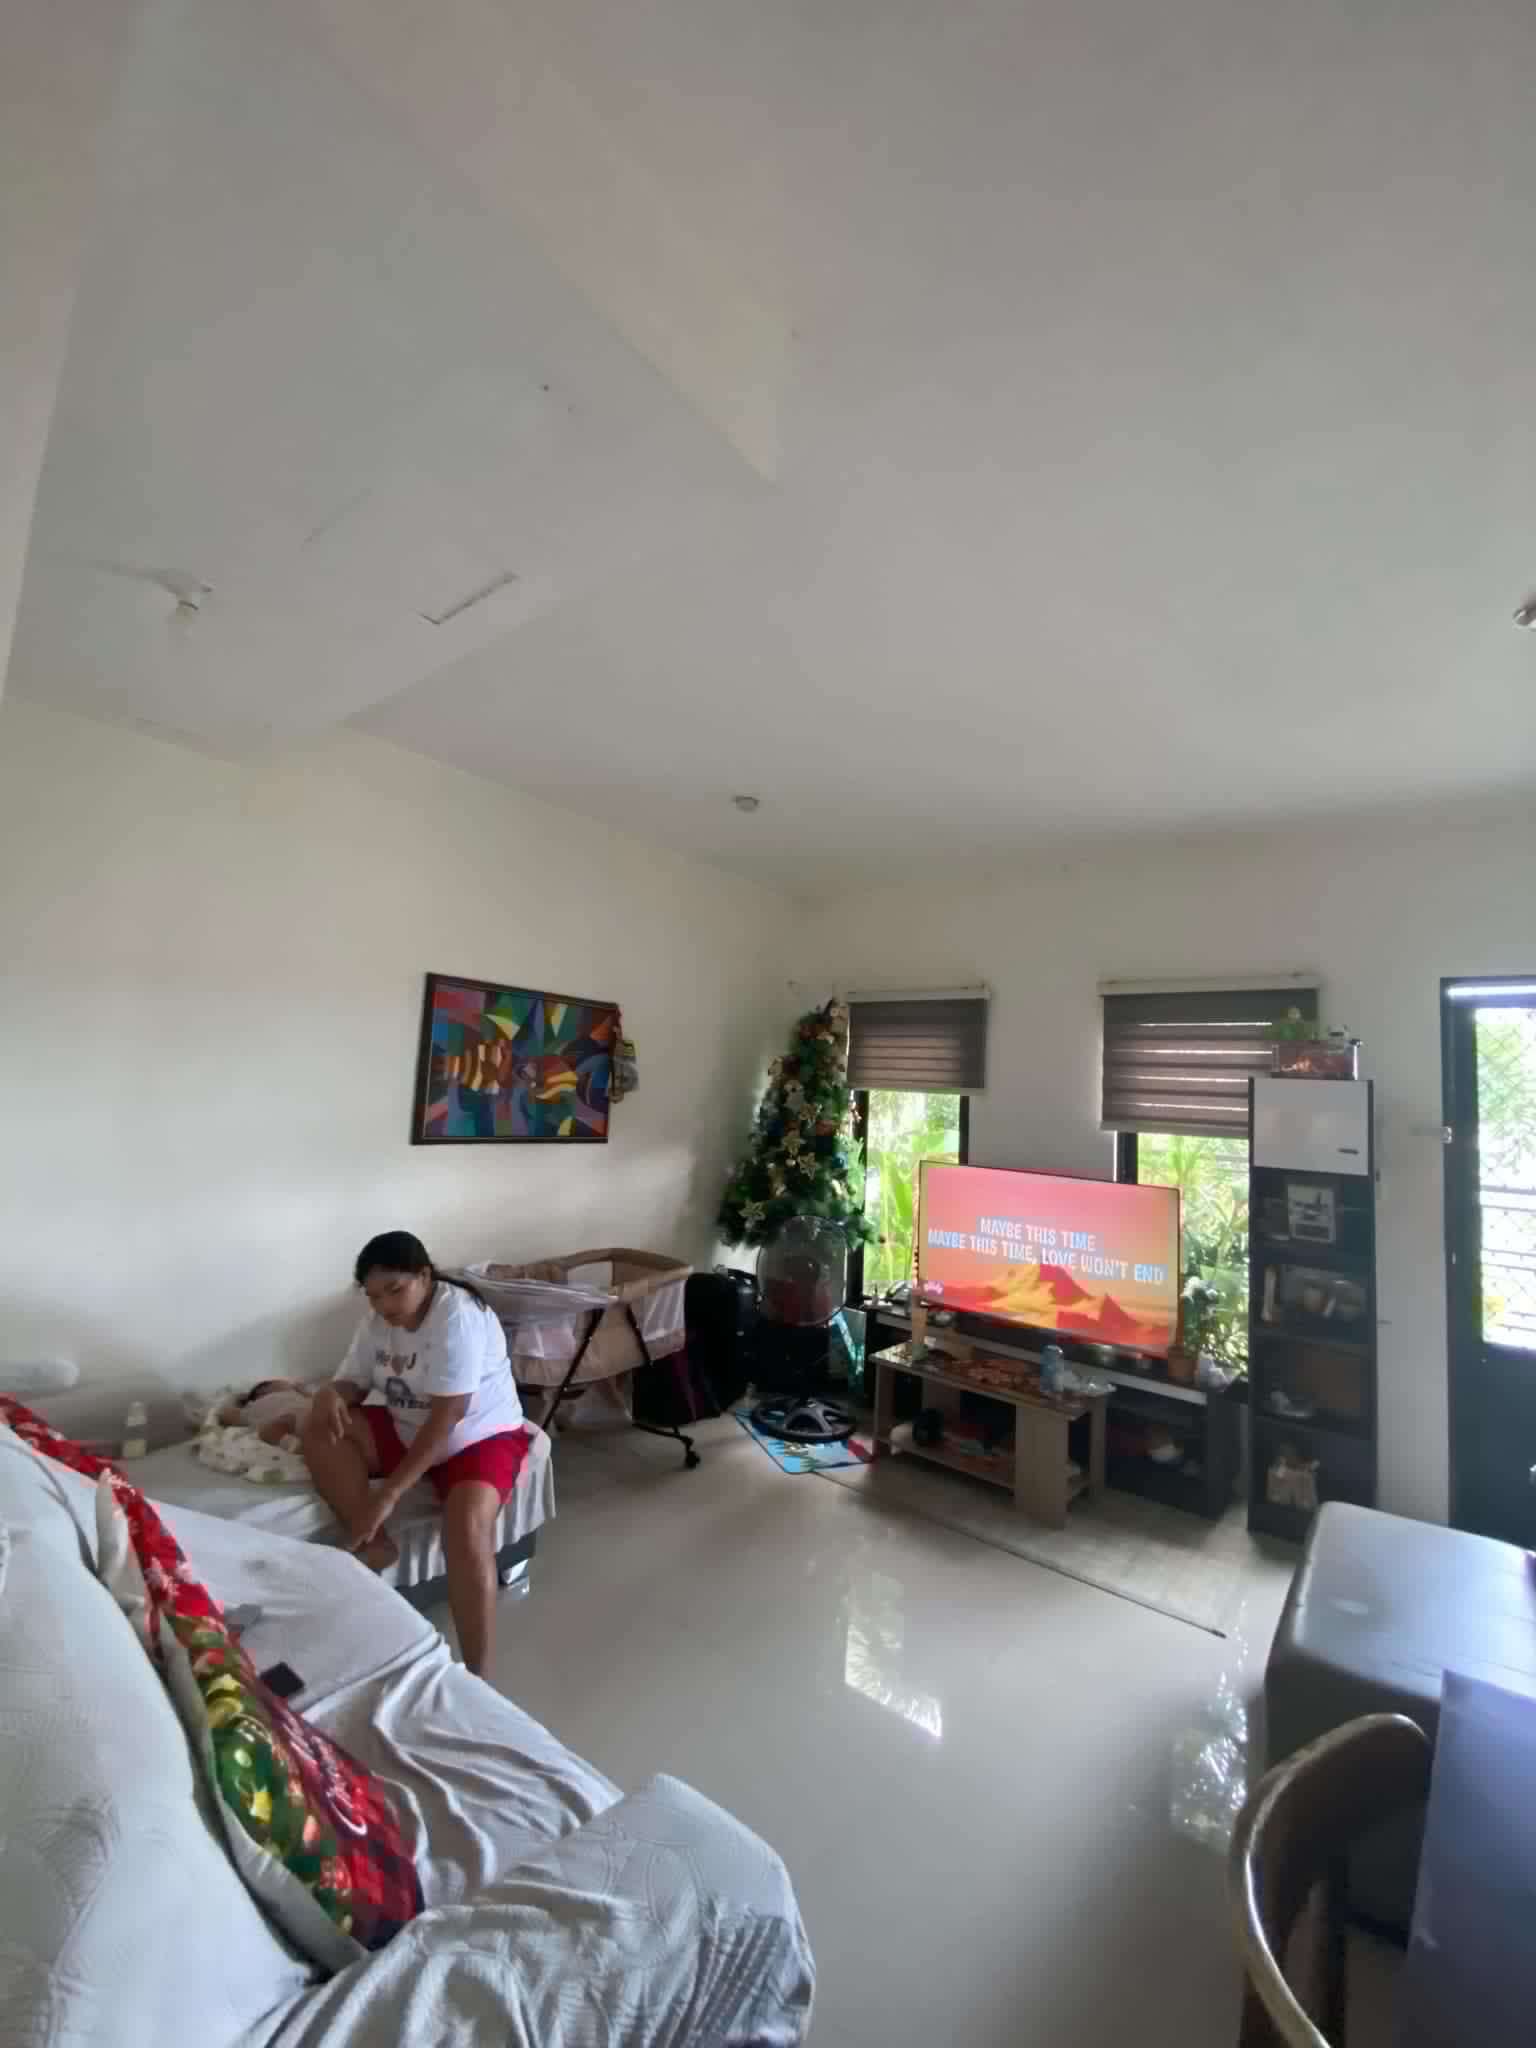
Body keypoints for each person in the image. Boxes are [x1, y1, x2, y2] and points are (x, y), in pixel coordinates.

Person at [302, 1231, 529, 1676]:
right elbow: (353, 1381)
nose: (384, 1305)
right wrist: (329, 1394)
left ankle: (478, 1675)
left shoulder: (456, 1315)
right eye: (373, 1296)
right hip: (407, 1425)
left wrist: (388, 1494)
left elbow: (448, 1417)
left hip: (476, 1437)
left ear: (425, 1276)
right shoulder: (377, 1322)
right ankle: (375, 1545)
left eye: (394, 1290)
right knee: (317, 1427)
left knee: (466, 1529)